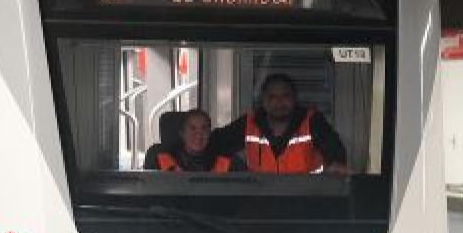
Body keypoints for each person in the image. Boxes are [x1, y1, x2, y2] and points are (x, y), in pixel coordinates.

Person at [211, 73, 349, 174]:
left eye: (285, 96)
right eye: (272, 97)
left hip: (307, 199)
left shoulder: (313, 122)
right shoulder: (249, 123)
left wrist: (336, 166)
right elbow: (214, 143)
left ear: (294, 98)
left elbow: (336, 153)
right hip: (261, 201)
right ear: (263, 100)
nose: (279, 102)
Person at [147, 109, 240, 172]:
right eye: (192, 128)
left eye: (204, 129)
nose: (199, 134)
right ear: (182, 133)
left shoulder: (226, 161)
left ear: (209, 133)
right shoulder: (159, 158)